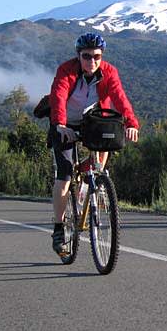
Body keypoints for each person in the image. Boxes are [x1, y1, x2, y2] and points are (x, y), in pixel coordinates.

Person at [48, 32, 139, 256]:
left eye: (97, 56)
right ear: (78, 56)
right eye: (86, 56)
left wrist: (131, 123)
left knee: (102, 156)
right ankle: (59, 228)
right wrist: (60, 124)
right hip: (64, 123)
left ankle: (94, 186)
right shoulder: (66, 70)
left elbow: (119, 97)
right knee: (65, 176)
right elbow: (58, 96)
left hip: (92, 122)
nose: (92, 61)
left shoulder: (108, 72)